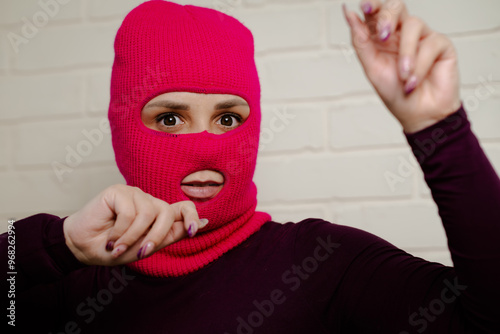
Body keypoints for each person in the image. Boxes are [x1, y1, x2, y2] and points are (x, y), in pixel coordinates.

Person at [1, 0, 499, 333]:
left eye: (228, 117)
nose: (203, 147)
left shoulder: (319, 264)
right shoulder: (67, 281)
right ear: (123, 126)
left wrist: (440, 129)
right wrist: (58, 244)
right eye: (170, 117)